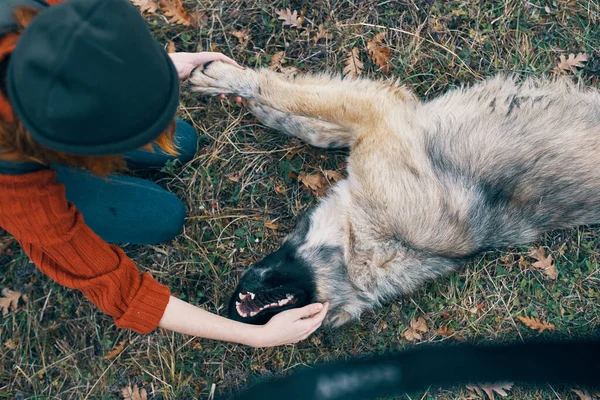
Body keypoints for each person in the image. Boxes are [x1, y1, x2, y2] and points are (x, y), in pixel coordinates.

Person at [0, 0, 328, 347]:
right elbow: (119, 287)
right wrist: (255, 335)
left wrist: (160, 67)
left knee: (182, 142)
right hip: (19, 160)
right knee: (162, 216)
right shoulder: (15, 190)